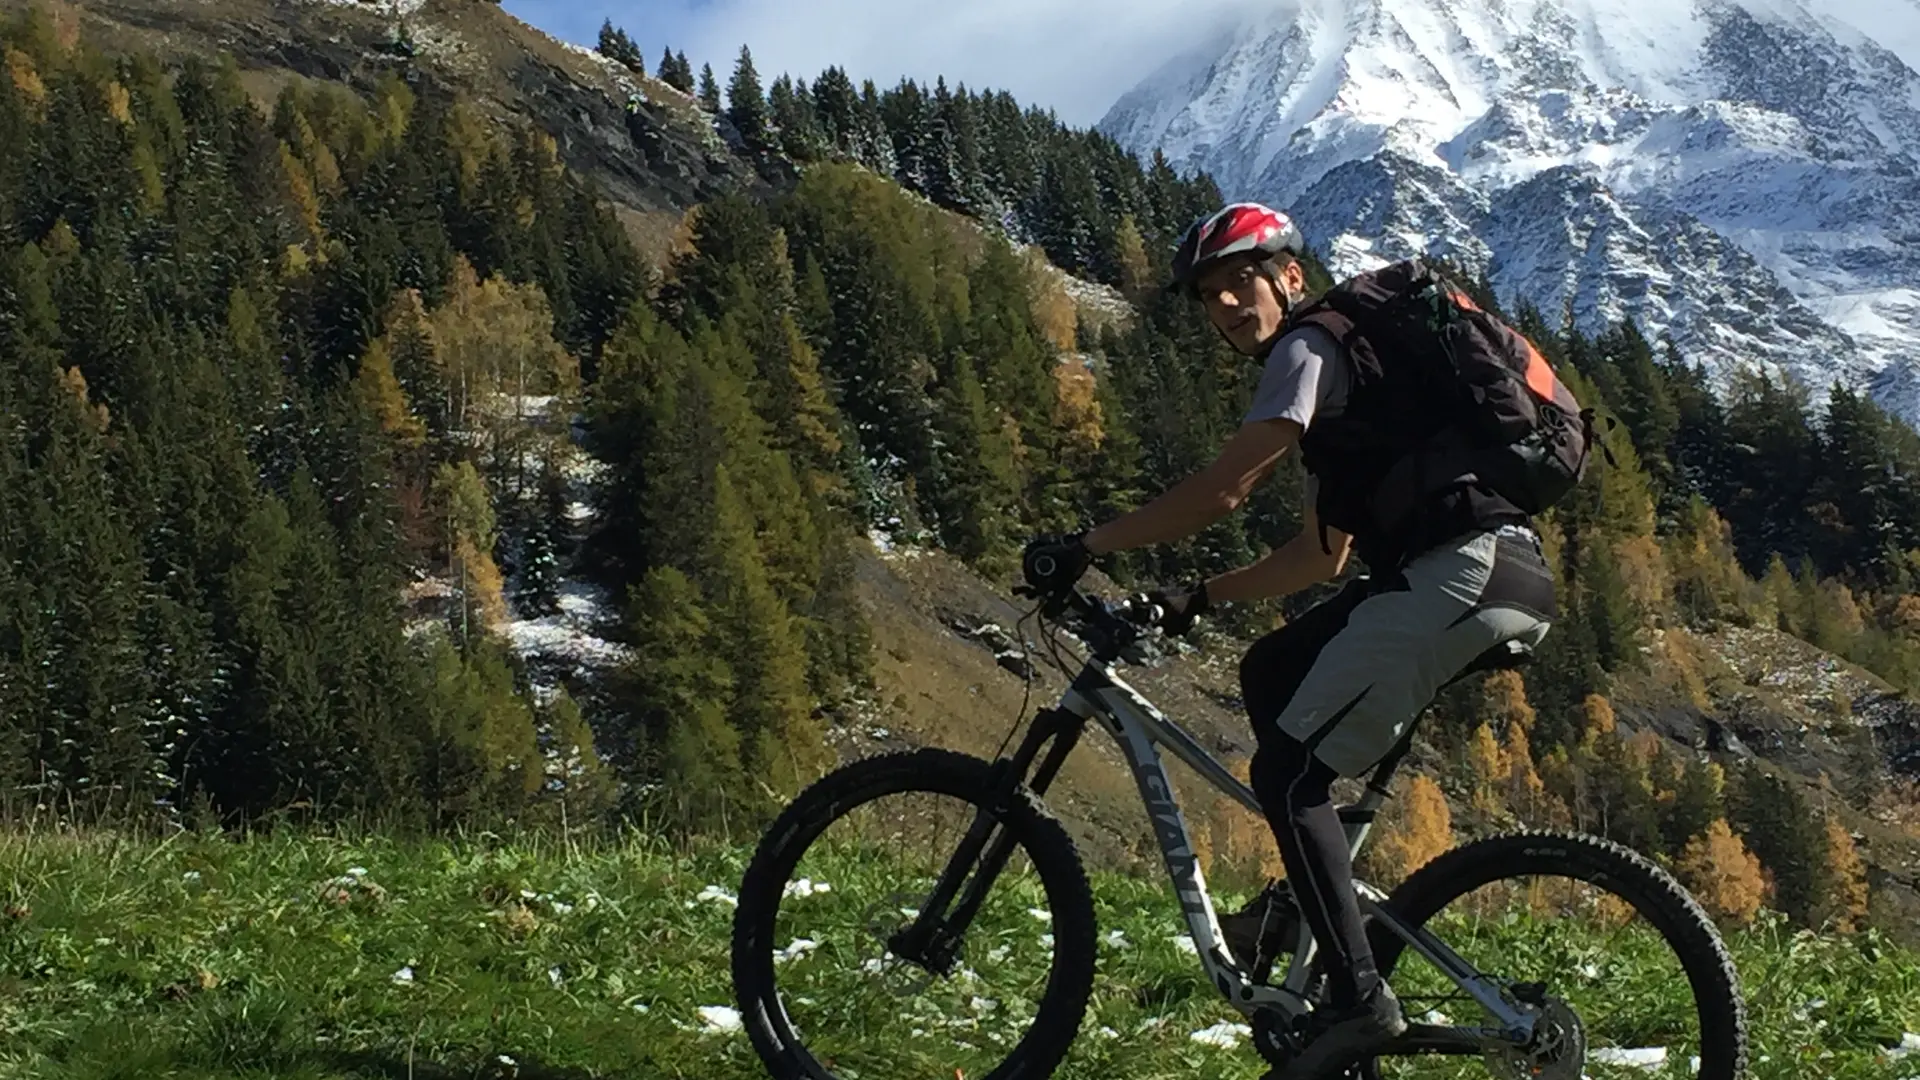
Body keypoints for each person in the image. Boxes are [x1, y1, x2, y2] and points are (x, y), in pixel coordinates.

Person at [1020, 203, 1556, 1078]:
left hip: (1462, 571)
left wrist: (1088, 545)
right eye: (1210, 295)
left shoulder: (1311, 347)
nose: (1229, 305)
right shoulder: (1358, 376)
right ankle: (1300, 912)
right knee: (1272, 671)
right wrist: (1199, 594)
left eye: (1242, 280)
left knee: (1287, 774)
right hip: (1485, 572)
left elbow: (1229, 487)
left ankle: (1356, 1000)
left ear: (1290, 278)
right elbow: (1319, 555)